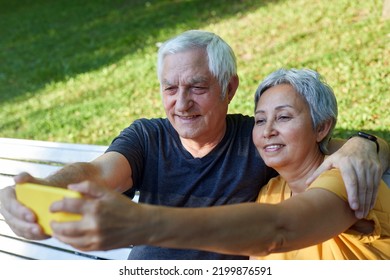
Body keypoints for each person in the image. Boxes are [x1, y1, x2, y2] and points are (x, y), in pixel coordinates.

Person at [0, 31, 388, 260]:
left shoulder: (259, 144)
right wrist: (41, 191)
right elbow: (98, 173)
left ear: (228, 88)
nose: (181, 103)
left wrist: (366, 144)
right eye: (170, 88)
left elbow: (285, 216)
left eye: (198, 88)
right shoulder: (148, 137)